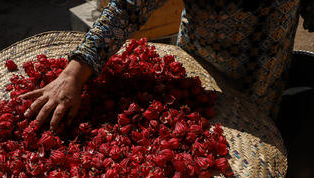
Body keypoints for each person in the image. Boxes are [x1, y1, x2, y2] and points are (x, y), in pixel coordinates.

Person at [21, 0, 314, 130]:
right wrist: (75, 72)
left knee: (258, 147)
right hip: (202, 72)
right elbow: (127, 8)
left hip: (267, 73)